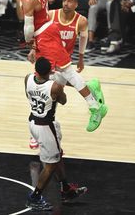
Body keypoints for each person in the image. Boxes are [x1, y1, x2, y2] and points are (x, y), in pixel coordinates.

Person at [9, 0, 108, 133]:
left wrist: (30, 44)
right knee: (55, 78)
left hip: (44, 36)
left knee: (65, 72)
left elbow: (28, 30)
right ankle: (89, 88)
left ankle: (95, 107)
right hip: (47, 31)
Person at [25, 56, 87, 211]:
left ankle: (66, 189)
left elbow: (30, 94)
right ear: (50, 71)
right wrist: (61, 86)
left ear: (36, 70)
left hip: (33, 121)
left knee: (57, 155)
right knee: (51, 165)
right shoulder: (55, 87)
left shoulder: (27, 79)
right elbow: (63, 101)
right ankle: (35, 197)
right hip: (46, 126)